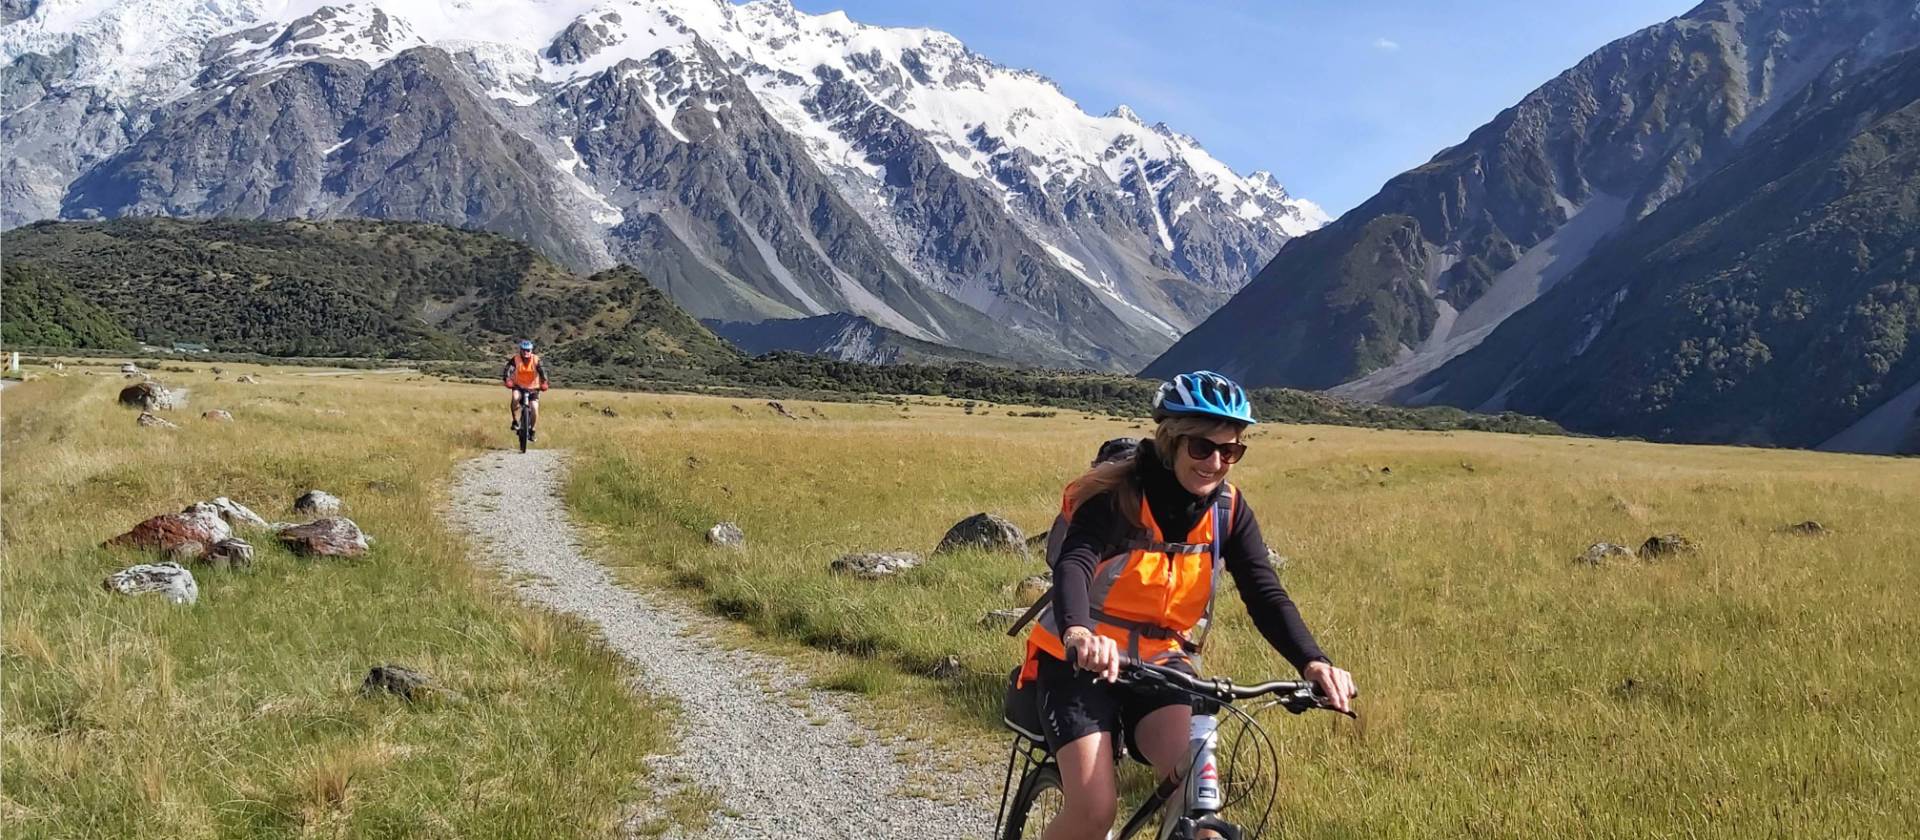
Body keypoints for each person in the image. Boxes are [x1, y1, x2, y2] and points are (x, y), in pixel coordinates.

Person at [1017, 370, 1357, 840]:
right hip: (1081, 662)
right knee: (1094, 811)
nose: (1215, 463)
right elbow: (1075, 562)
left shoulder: (1228, 510)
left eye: (1230, 451)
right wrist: (1078, 632)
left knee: (1199, 795)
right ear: (1171, 441)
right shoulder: (1119, 496)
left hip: (1162, 665)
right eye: (1202, 447)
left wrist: (1313, 661)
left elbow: (1264, 592)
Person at [502, 339, 549, 439]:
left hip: (534, 388)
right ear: (520, 350)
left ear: (531, 350)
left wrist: (544, 382)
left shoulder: (536, 360)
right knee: (515, 398)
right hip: (518, 386)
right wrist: (507, 380)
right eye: (523, 350)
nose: (526, 352)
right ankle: (515, 421)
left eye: (528, 350)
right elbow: (508, 370)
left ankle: (532, 430)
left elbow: (543, 372)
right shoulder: (516, 359)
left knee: (534, 408)